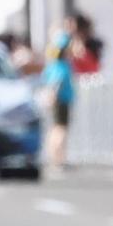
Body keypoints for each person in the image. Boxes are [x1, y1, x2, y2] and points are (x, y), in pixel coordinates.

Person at [41, 31, 76, 172]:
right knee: (61, 128)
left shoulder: (52, 65)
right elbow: (57, 82)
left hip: (56, 100)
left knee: (55, 128)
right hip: (61, 100)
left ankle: (56, 157)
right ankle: (59, 158)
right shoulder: (62, 66)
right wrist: (53, 95)